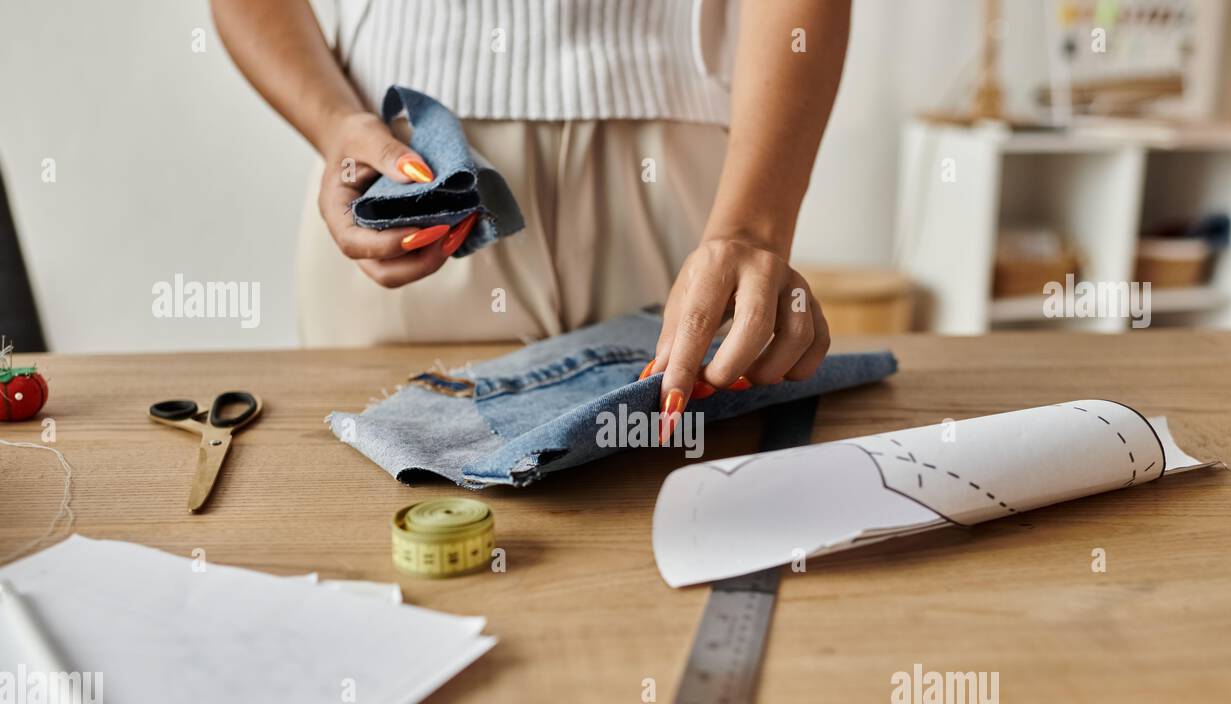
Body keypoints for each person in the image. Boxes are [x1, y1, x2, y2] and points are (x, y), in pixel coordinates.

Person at [213, 0, 849, 441]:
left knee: (688, 499)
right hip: (409, 180)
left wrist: (749, 229)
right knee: (381, 511)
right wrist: (335, 124)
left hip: (689, 206)